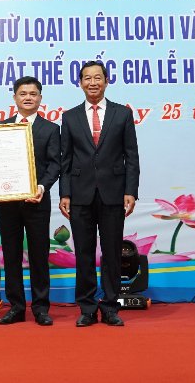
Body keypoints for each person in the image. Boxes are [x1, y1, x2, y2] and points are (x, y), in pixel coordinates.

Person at [59, 61, 140, 327]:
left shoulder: (122, 114)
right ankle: (87, 307)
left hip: (114, 193)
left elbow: (131, 156)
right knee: (83, 252)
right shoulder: (70, 117)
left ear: (106, 80)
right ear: (80, 83)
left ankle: (110, 306)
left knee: (112, 252)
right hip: (80, 195)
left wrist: (130, 191)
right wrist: (65, 193)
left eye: (97, 78)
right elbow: (66, 160)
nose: (92, 83)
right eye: (87, 78)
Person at [0, 76, 60, 326]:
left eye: (33, 94)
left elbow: (55, 164)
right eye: (23, 94)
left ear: (40, 98)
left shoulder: (51, 129)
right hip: (8, 203)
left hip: (37, 201)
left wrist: (42, 186)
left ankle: (41, 308)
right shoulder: (1, 128)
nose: (28, 98)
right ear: (14, 98)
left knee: (38, 255)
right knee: (10, 256)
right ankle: (16, 307)